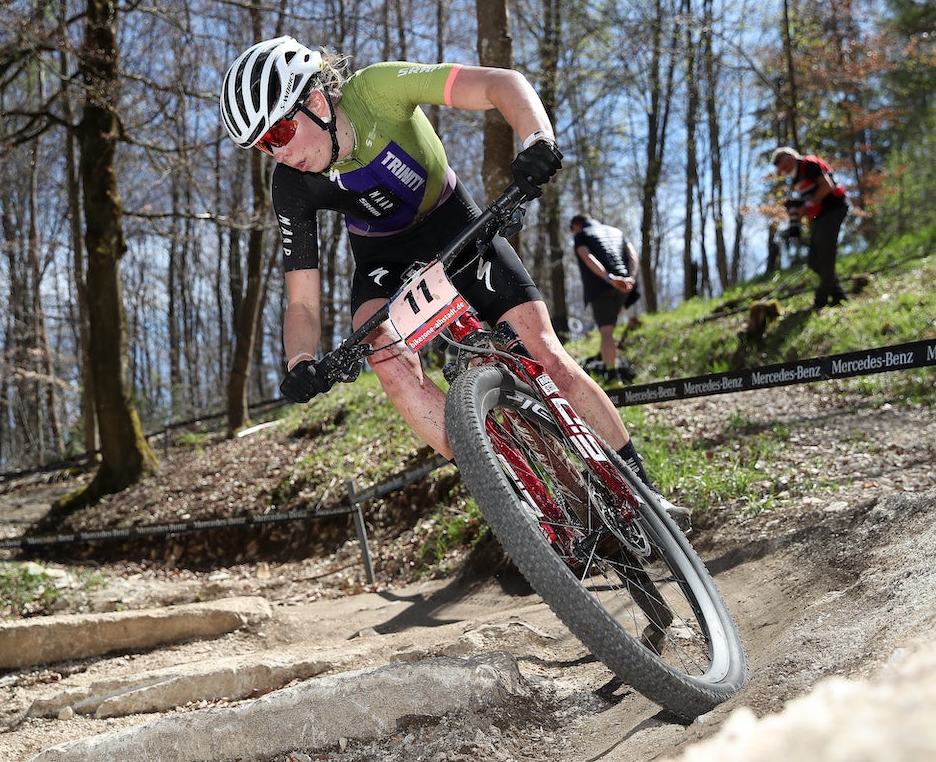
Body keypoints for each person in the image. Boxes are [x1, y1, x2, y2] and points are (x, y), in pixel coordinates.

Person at [220, 36, 690, 527]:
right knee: (383, 356)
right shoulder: (291, 185)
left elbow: (500, 84)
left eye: (278, 133)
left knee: (546, 353)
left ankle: (645, 498)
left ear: (314, 101)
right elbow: (303, 305)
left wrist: (537, 139)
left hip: (452, 220)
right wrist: (301, 361)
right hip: (381, 257)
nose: (277, 154)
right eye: (262, 147)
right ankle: (512, 490)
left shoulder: (377, 89)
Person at [772, 146, 850, 308]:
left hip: (833, 210)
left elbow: (826, 186)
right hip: (820, 215)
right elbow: (810, 199)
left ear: (791, 159)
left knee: (825, 257)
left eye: (785, 167)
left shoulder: (808, 165)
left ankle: (821, 300)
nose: (786, 172)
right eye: (782, 170)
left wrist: (805, 207)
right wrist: (797, 213)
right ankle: (838, 294)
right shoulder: (798, 177)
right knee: (814, 261)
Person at [570, 214, 640, 384]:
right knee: (609, 329)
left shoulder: (581, 235)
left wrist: (609, 278)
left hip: (603, 286)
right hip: (625, 285)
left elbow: (587, 257)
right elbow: (632, 255)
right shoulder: (616, 231)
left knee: (606, 331)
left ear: (577, 226)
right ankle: (611, 367)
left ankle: (612, 376)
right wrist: (630, 277)